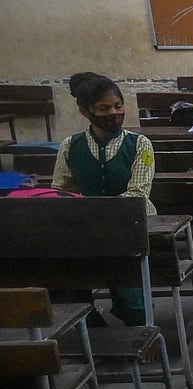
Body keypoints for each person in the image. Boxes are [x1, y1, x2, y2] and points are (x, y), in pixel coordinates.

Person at [52, 72, 155, 326]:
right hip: (87, 227)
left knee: (127, 279)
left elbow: (138, 193)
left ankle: (141, 325)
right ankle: (88, 321)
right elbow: (61, 191)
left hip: (132, 224)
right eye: (104, 108)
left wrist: (96, 212)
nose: (114, 113)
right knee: (65, 273)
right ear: (85, 112)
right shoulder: (70, 146)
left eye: (118, 106)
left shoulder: (140, 144)